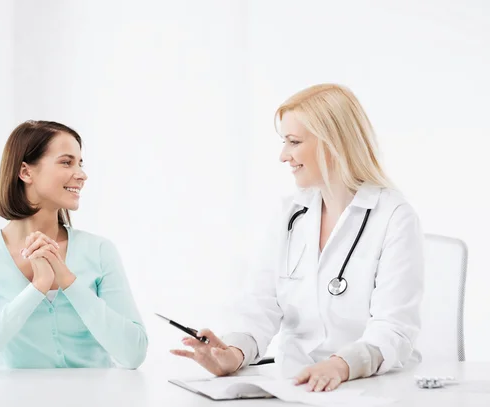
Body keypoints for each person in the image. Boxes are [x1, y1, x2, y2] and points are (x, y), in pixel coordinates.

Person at [171, 84, 424, 392]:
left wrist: (341, 365)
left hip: (366, 385)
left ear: (334, 144)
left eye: (293, 142)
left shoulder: (394, 216)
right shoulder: (290, 214)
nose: (283, 156)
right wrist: (233, 355)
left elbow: (394, 328)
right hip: (294, 385)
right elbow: (260, 305)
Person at [0, 120, 148, 375]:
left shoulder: (100, 250)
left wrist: (67, 280)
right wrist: (38, 287)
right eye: (67, 162)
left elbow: (133, 354)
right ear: (26, 172)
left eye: (80, 163)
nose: (81, 174)